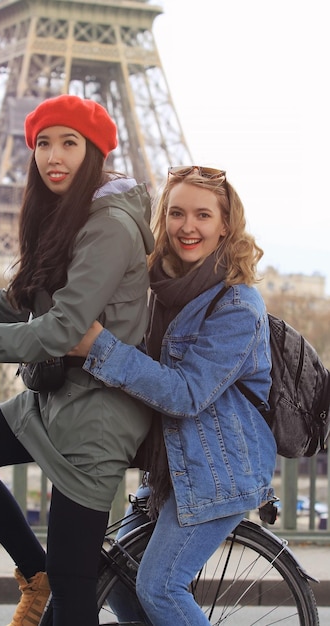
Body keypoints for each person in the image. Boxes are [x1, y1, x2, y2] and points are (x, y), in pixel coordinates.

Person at [0, 94, 154, 626]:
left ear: (94, 153)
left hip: (99, 415)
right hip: (53, 401)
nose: (53, 155)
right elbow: (11, 300)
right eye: (43, 143)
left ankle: (57, 579)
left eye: (69, 142)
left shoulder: (110, 225)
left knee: (75, 593)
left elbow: (62, 328)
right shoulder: (62, 218)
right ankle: (34, 573)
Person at [69, 165, 277, 626]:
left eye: (203, 215)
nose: (188, 226)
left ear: (225, 225)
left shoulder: (238, 305)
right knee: (118, 579)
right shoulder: (159, 289)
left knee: (159, 587)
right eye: (177, 213)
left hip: (218, 469)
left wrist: (100, 347)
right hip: (174, 465)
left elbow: (185, 394)